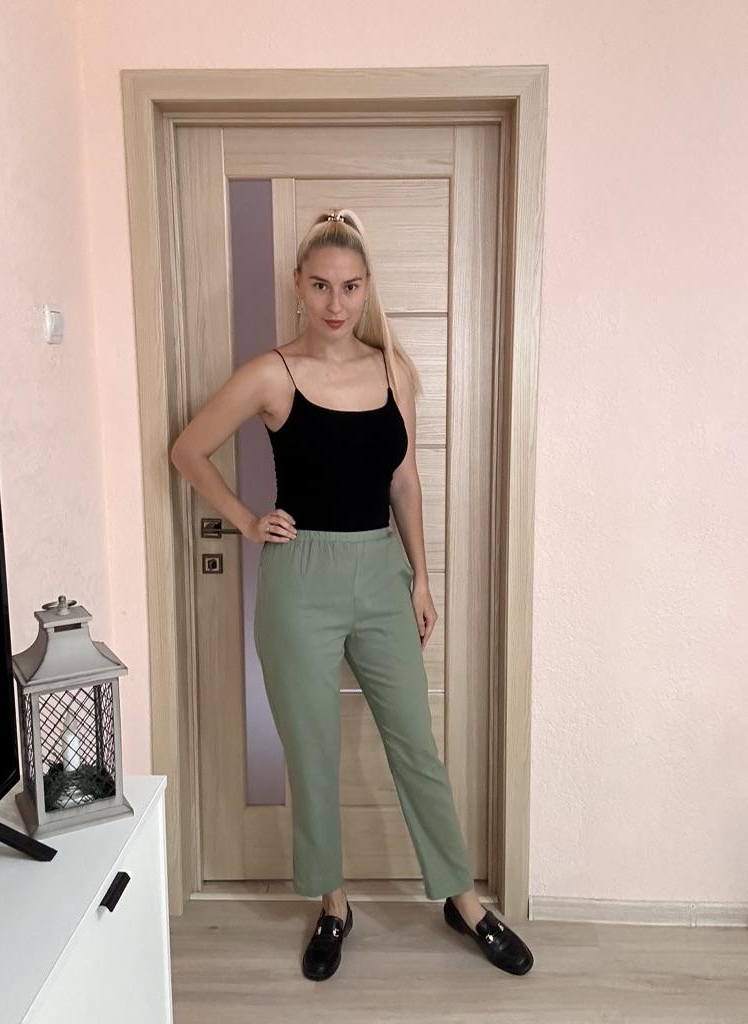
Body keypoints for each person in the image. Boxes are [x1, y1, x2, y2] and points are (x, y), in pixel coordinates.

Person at [170, 208, 534, 982]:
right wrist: (245, 519)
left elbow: (404, 480)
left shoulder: (393, 369)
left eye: (350, 287)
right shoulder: (271, 374)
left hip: (380, 573)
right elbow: (187, 449)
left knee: (416, 746)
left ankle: (463, 899)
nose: (336, 303)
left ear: (367, 288)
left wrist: (422, 576)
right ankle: (333, 903)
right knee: (313, 752)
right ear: (297, 287)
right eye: (321, 286)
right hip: (299, 581)